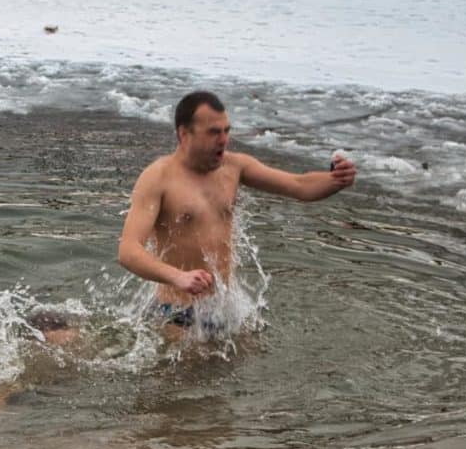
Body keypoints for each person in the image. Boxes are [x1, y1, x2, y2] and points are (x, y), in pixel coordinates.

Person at [118, 90, 357, 339]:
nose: (223, 140)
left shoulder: (234, 167)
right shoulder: (158, 178)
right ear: (184, 134)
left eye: (226, 131)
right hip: (176, 315)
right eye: (213, 132)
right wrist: (178, 277)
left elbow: (299, 185)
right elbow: (128, 251)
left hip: (228, 312)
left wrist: (336, 180)